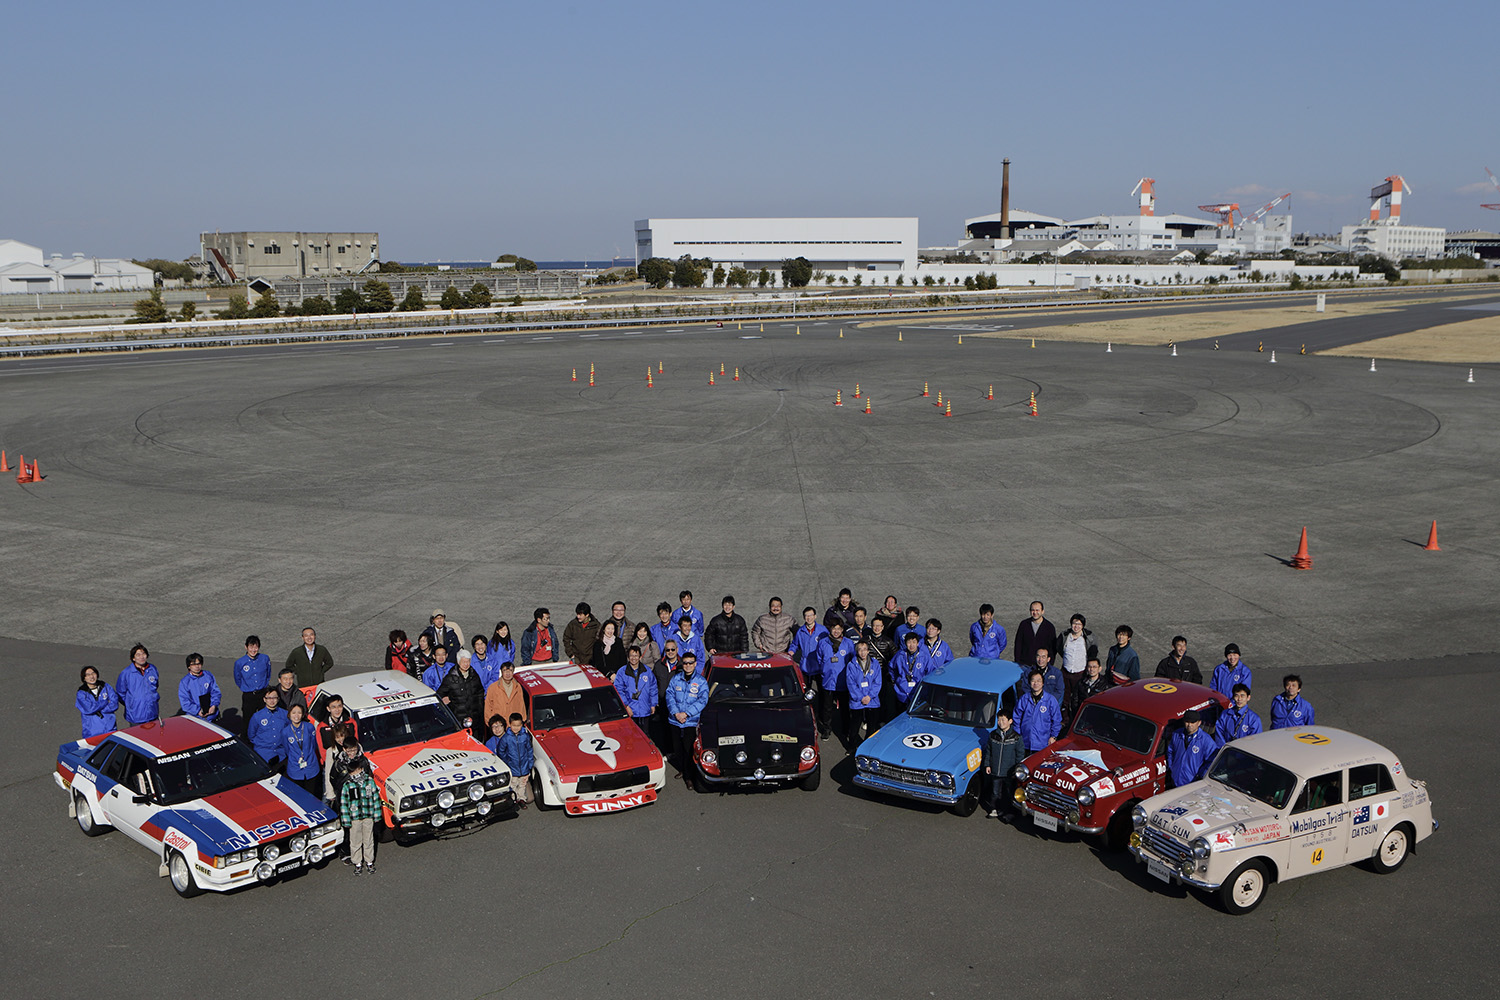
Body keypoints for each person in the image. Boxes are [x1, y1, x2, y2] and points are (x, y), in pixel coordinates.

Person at [665, 652, 708, 784]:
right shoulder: (676, 679)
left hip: (691, 721)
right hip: (675, 720)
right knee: (677, 748)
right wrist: (676, 713)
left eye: (690, 663)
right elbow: (669, 696)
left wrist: (687, 713)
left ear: (695, 664)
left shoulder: (701, 681)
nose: (688, 666)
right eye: (685, 663)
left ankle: (689, 777)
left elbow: (703, 700)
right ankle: (682, 769)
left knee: (688, 748)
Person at [815, 621, 855, 741]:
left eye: (839, 628)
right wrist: (825, 670)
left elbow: (852, 660)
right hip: (828, 680)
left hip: (843, 681)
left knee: (844, 708)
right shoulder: (823, 643)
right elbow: (819, 658)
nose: (836, 631)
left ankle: (845, 729)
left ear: (842, 630)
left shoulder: (848, 643)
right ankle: (827, 729)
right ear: (830, 630)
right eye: (834, 628)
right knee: (827, 708)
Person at [340, 758, 380, 874]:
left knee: (368, 840)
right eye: (352, 772)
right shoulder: (347, 785)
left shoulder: (369, 781)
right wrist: (346, 821)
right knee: (355, 841)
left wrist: (376, 815)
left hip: (368, 815)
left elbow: (376, 798)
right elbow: (344, 804)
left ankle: (369, 862)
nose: (355, 774)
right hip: (354, 818)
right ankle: (357, 863)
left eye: (357, 770)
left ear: (361, 769)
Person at [982, 708, 1023, 821]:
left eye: (1003, 720)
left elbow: (1020, 755)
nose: (1000, 722)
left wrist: (1016, 770)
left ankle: (1008, 812)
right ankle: (994, 809)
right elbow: (989, 751)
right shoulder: (993, 735)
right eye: (999, 720)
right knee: (995, 793)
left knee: (1009, 793)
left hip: (1009, 771)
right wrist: (988, 765)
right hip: (995, 770)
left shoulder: (1016, 737)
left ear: (1010, 721)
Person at [322, 721, 367, 823]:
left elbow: (363, 765)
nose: (340, 739)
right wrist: (331, 793)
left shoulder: (357, 746)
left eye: (342, 736)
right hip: (342, 790)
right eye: (337, 737)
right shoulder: (331, 751)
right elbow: (329, 774)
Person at [488, 713, 534, 809]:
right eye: (494, 726)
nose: (497, 729)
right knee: (513, 784)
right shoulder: (505, 738)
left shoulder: (525, 736)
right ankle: (514, 799)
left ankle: (521, 799)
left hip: (524, 767)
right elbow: (501, 751)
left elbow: (529, 750)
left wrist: (530, 764)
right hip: (512, 767)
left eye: (500, 726)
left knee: (522, 784)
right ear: (510, 725)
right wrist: (507, 762)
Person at [1013, 667, 1062, 754]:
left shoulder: (1050, 700)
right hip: (1025, 742)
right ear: (1029, 683)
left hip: (1043, 743)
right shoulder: (1024, 699)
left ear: (1043, 683)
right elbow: (1016, 717)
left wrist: (1053, 736)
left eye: (1038, 681)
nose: (1036, 683)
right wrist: (1018, 734)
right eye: (1033, 681)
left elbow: (1057, 720)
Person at [437, 649, 486, 737]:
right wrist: (448, 700)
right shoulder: (450, 678)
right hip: (458, 719)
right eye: (463, 662)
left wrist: (480, 709)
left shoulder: (474, 675)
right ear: (458, 662)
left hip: (474, 718)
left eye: (468, 661)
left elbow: (480, 692)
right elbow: (439, 694)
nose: (466, 664)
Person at [844, 640, 882, 747]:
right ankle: (852, 746)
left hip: (872, 700)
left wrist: (869, 696)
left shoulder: (875, 664)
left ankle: (867, 746)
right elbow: (850, 683)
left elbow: (877, 682)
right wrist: (860, 697)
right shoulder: (851, 665)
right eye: (860, 650)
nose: (862, 652)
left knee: (872, 725)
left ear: (868, 651)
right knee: (855, 725)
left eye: (865, 649)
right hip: (857, 701)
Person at [613, 647, 657, 737]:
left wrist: (653, 704)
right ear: (628, 657)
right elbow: (618, 689)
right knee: (631, 737)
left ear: (640, 657)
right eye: (631, 656)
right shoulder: (622, 672)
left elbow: (653, 687)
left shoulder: (647, 671)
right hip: (631, 710)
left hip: (645, 709)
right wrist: (626, 706)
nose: (634, 658)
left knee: (645, 736)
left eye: (636, 656)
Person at [1167, 710, 1218, 786]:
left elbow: (1212, 761)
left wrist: (1201, 775)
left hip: (1192, 782)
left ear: (1199, 723)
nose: (1189, 725)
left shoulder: (1206, 740)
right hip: (1175, 779)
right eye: (1187, 722)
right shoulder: (1177, 734)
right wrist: (1172, 767)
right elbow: (1170, 751)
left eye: (1193, 722)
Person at [281, 704, 321, 796]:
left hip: (311, 767)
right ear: (289, 714)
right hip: (295, 768)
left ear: (303, 715)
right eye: (294, 713)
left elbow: (314, 744)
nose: (296, 715)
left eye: (299, 713)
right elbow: (287, 749)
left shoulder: (309, 727)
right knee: (298, 796)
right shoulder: (285, 732)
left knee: (312, 795)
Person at [888, 632, 932, 717]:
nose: (911, 645)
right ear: (905, 643)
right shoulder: (900, 654)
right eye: (909, 642)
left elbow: (930, 672)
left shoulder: (924, 656)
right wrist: (896, 680)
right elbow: (891, 667)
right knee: (900, 717)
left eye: (914, 642)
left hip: (917, 692)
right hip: (901, 692)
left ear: (918, 643)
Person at [117, 643, 161, 727]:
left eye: (143, 654)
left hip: (152, 711)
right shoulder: (126, 673)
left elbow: (155, 686)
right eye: (138, 655)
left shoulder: (152, 669)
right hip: (136, 714)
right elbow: (120, 692)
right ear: (133, 658)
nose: (142, 657)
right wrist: (131, 703)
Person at [233, 636, 272, 729]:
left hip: (262, 693)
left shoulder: (265, 658)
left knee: (264, 718)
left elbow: (268, 674)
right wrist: (246, 687)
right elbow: (237, 678)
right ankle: (247, 740)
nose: (253, 650)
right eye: (251, 647)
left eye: (256, 647)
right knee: (248, 720)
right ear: (246, 647)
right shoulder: (240, 662)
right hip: (249, 695)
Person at [1055, 614, 1094, 704]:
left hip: (1080, 674)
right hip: (1066, 672)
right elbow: (1059, 648)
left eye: (1079, 624)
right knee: (1064, 697)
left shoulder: (1089, 637)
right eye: (1074, 623)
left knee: (1079, 697)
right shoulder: (1065, 635)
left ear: (1083, 625)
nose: (1076, 626)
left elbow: (1092, 653)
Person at [1065, 656, 1112, 729]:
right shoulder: (1081, 682)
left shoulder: (1105, 685)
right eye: (1089, 667)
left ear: (1099, 668)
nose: (1092, 669)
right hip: (1081, 717)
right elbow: (1075, 700)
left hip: (1097, 720)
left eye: (1094, 667)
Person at [248, 688, 288, 767]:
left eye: (274, 698)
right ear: (264, 699)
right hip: (263, 755)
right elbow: (251, 735)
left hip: (281, 753)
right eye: (269, 698)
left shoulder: (285, 714)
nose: (272, 700)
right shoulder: (257, 716)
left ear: (278, 699)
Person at [1013, 602, 1056, 673]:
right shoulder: (1024, 624)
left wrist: (1049, 664)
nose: (1035, 612)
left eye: (1037, 610)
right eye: (1033, 610)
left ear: (1042, 611)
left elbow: (1052, 649)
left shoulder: (1049, 627)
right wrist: (1018, 662)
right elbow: (1018, 643)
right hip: (1025, 665)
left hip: (1042, 665)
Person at [176, 652, 221, 722]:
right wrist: (197, 711)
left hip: (212, 716)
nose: (197, 666)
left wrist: (214, 705)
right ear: (189, 666)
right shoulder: (185, 682)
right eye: (193, 664)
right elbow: (185, 702)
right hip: (195, 719)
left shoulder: (208, 675)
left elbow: (215, 692)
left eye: (199, 663)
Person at [76, 666, 119, 738]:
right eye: (88, 675)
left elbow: (114, 703)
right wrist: (105, 702)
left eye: (93, 673)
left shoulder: (105, 686)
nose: (91, 677)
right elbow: (89, 709)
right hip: (92, 731)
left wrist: (100, 709)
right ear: (84, 678)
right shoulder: (82, 693)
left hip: (110, 728)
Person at [484, 661, 527, 730]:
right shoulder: (493, 687)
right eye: (505, 670)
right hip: (498, 726)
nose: (507, 673)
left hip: (513, 726)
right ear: (501, 672)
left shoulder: (517, 686)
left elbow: (521, 704)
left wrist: (522, 720)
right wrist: (490, 723)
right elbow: (488, 706)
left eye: (510, 670)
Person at [789, 608, 828, 682]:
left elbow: (828, 645)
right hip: (805, 665)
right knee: (806, 688)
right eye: (806, 616)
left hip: (819, 665)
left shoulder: (823, 630)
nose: (809, 618)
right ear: (804, 617)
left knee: (821, 689)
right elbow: (795, 644)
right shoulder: (801, 631)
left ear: (815, 616)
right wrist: (791, 651)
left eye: (810, 615)